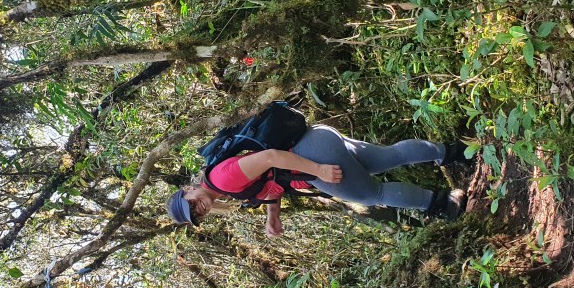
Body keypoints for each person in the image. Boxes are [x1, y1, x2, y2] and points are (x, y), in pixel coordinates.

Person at [167, 124, 468, 236]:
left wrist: (319, 170)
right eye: (195, 216)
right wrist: (273, 217)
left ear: (188, 190)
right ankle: (455, 152)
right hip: (317, 138)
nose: (199, 210)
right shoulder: (220, 185)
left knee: (372, 195)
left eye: (191, 205)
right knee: (386, 158)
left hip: (313, 157)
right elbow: (272, 183)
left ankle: (444, 202)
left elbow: (271, 157)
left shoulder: (223, 178)